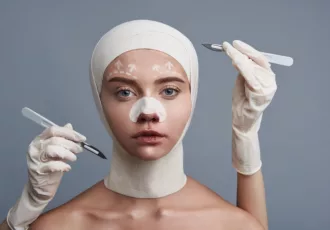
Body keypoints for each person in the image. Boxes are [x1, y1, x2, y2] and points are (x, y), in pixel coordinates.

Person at [1, 19, 276, 230]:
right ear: (100, 101)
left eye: (169, 91)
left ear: (193, 97)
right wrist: (22, 213)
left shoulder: (230, 224)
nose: (148, 112)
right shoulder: (59, 226)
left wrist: (246, 132)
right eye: (124, 92)